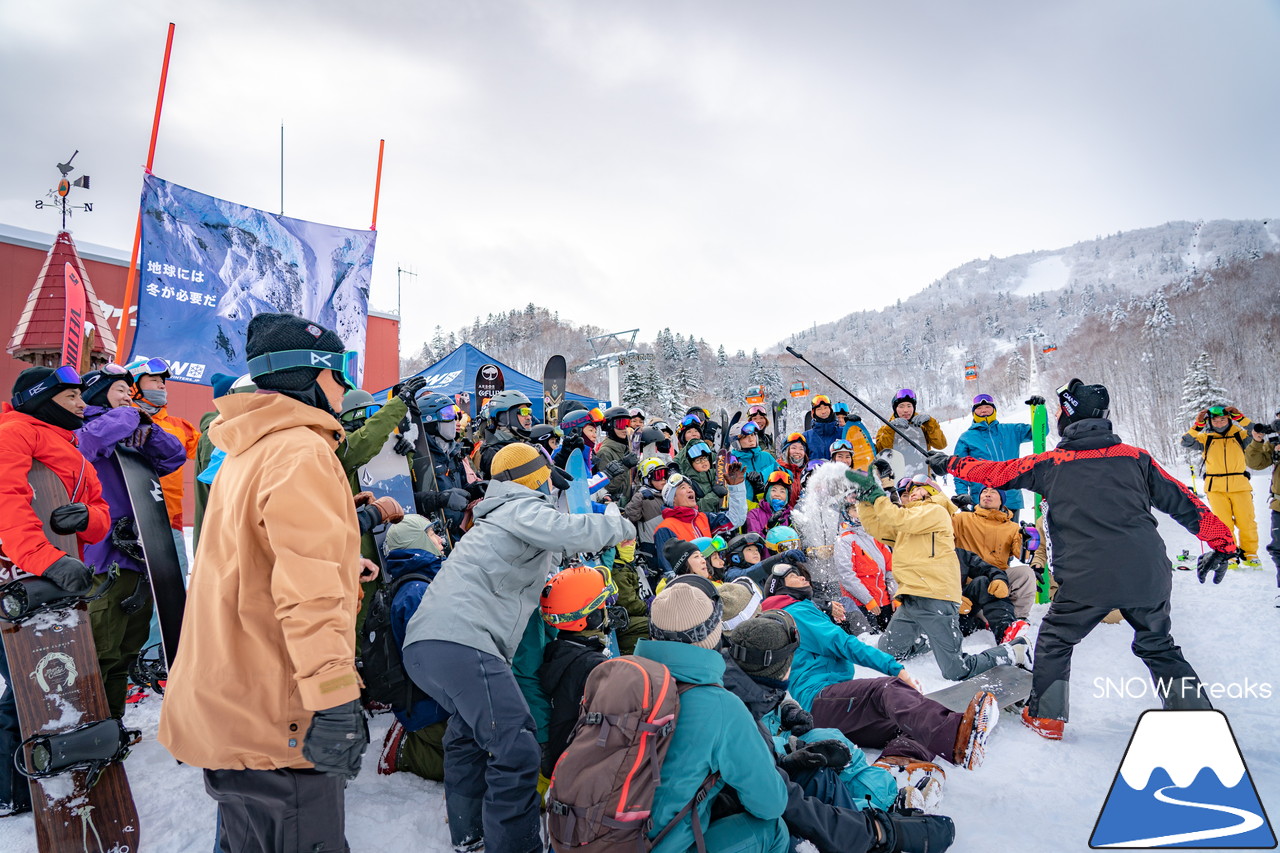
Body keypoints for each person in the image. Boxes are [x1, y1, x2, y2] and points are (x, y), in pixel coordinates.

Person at [159, 313, 371, 851]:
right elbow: (310, 593)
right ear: (312, 374)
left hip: (234, 701)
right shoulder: (301, 449)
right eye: (342, 368)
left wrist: (347, 562)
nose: (348, 384)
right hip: (279, 715)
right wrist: (334, 698)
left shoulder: (249, 445)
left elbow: (260, 559)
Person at [927, 377, 1239, 739]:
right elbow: (1185, 502)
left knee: (1056, 639)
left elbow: (995, 473)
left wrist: (950, 463)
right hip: (1147, 574)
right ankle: (1195, 719)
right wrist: (1223, 544)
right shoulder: (1136, 458)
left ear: (1069, 417)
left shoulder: (1052, 462)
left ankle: (1047, 717)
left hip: (1087, 579)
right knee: (1158, 644)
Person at [400, 442, 634, 853]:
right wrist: (622, 524)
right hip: (462, 642)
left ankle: (469, 836)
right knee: (516, 745)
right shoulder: (519, 509)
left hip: (426, 647)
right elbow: (572, 532)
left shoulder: (496, 519)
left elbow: (552, 547)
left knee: (469, 738)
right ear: (535, 478)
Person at [759, 563, 1001, 773]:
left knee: (910, 724)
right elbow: (843, 644)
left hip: (834, 708)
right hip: (822, 698)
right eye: (793, 576)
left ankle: (898, 765)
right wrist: (895, 669)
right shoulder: (795, 612)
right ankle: (958, 735)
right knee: (886, 690)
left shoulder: (792, 613)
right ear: (780, 587)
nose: (803, 578)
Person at [0, 365, 111, 818]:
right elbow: (7, 502)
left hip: (59, 580)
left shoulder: (73, 448)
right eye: (71, 397)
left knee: (48, 678)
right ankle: (10, 788)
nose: (83, 404)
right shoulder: (14, 433)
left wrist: (86, 518)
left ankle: (40, 770)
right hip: (16, 580)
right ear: (43, 400)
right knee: (24, 682)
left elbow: (101, 512)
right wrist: (46, 560)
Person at [635, 578, 791, 853]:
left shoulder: (617, 679)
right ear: (714, 635)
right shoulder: (721, 705)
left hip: (594, 837)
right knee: (773, 829)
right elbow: (769, 803)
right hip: (658, 846)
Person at [77, 365, 186, 718]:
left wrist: (147, 428)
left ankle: (114, 722)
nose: (129, 397)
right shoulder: (80, 426)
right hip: (103, 559)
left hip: (141, 555)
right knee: (102, 650)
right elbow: (85, 446)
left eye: (129, 390)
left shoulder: (130, 429)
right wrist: (127, 417)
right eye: (121, 390)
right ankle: (92, 724)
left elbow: (173, 456)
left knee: (127, 649)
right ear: (97, 394)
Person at [846, 470, 1028, 681]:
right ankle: (930, 638)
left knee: (956, 670)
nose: (912, 492)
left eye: (918, 488)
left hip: (936, 598)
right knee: (889, 652)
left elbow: (897, 518)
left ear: (932, 492)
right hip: (912, 598)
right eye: (909, 490)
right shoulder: (910, 520)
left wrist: (876, 494)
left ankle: (1014, 650)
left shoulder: (936, 511)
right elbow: (876, 527)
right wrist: (865, 502)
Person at [375, 515, 449, 781]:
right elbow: (428, 664)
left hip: (429, 700)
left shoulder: (422, 581)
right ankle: (408, 751)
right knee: (481, 760)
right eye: (431, 535)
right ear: (416, 542)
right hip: (429, 705)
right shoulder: (415, 594)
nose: (440, 540)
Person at [537, 564, 616, 774]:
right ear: (592, 617)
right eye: (603, 605)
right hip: (580, 768)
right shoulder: (595, 668)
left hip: (561, 758)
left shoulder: (557, 653)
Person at [126, 356, 201, 572]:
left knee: (173, 589)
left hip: (169, 521)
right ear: (133, 385)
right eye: (154, 380)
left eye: (163, 382)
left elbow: (207, 453)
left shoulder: (179, 426)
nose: (161, 385)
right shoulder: (115, 421)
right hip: (127, 521)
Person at [1182, 404, 1259, 566]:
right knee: (1224, 524)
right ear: (1210, 422)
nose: (1219, 423)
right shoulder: (1206, 439)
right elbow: (1186, 442)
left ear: (1229, 419)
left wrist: (1240, 417)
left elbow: (1256, 431)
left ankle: (1250, 554)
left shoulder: (1240, 436)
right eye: (1215, 420)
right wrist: (1198, 425)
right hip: (1215, 488)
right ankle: (1229, 554)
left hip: (1240, 486)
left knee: (1247, 521)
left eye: (1223, 419)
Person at [950, 485, 1035, 631]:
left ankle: (1018, 618)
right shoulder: (962, 519)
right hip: (969, 583)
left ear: (1002, 500)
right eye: (984, 491)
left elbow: (1023, 556)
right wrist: (950, 506)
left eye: (993, 492)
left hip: (998, 579)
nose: (987, 494)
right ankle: (984, 618)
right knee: (980, 588)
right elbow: (938, 526)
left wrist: (1030, 540)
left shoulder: (1012, 527)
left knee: (1026, 573)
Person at [952, 394, 1036, 520]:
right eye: (979, 408)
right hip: (983, 499)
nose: (984, 410)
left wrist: (1038, 408)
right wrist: (962, 494)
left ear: (994, 410)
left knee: (1011, 537)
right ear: (974, 412)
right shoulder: (967, 438)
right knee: (985, 538)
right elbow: (959, 469)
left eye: (987, 407)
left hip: (1011, 496)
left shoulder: (1011, 430)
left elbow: (1041, 431)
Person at [651, 470, 747, 576]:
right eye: (683, 488)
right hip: (690, 583)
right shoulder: (665, 528)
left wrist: (736, 488)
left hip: (712, 576)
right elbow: (668, 570)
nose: (690, 490)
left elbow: (736, 519)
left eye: (690, 488)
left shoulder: (703, 518)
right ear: (673, 498)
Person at [834, 492, 893, 633]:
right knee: (869, 643)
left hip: (885, 601)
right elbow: (847, 576)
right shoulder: (845, 540)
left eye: (862, 510)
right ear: (847, 513)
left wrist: (895, 595)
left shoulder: (878, 536)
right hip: (860, 604)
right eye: (855, 510)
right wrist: (868, 600)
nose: (859, 514)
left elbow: (891, 570)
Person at [1244, 409, 1280, 599]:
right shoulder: (1274, 444)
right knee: (1278, 549)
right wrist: (1257, 441)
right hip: (1279, 505)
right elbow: (1255, 463)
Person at [874, 390, 946, 479]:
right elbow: (882, 452)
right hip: (897, 480)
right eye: (901, 406)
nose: (906, 410)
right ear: (895, 408)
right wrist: (891, 429)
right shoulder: (885, 429)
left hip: (922, 479)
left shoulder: (923, 427)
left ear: (914, 407)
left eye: (909, 406)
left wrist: (930, 423)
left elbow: (941, 445)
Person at [477, 389, 535, 478]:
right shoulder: (493, 452)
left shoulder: (526, 444)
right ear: (504, 417)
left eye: (529, 412)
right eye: (523, 412)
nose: (529, 417)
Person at [592, 405, 640, 506]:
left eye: (627, 424)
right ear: (610, 426)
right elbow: (607, 486)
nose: (625, 428)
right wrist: (624, 466)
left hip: (627, 505)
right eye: (620, 424)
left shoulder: (625, 449)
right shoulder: (605, 452)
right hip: (612, 507)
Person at [676, 439, 727, 514]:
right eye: (698, 460)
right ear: (690, 464)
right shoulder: (690, 485)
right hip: (705, 522)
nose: (703, 461)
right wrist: (714, 495)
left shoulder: (719, 475)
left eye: (704, 458)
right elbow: (695, 509)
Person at [734, 421, 778, 503]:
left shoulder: (766, 456)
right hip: (744, 508)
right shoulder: (733, 461)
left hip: (767, 506)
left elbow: (781, 475)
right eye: (745, 437)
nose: (751, 439)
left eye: (753, 435)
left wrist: (761, 479)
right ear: (736, 442)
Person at [804, 395, 844, 463]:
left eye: (825, 408)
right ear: (814, 413)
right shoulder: (806, 437)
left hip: (840, 473)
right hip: (816, 473)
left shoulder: (843, 432)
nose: (823, 412)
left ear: (830, 409)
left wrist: (855, 426)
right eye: (819, 409)